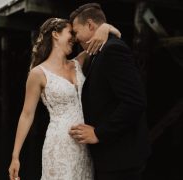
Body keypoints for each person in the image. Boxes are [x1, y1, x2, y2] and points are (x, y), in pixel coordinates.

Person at [8, 17, 121, 180]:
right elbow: (27, 115)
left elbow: (113, 39)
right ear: (55, 34)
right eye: (70, 33)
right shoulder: (38, 73)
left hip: (85, 144)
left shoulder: (79, 62)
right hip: (60, 145)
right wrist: (15, 157)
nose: (74, 39)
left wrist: (104, 27)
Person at [69, 3, 151, 180]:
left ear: (90, 25)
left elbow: (135, 102)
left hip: (121, 158)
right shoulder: (98, 51)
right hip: (109, 157)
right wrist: (107, 28)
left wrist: (99, 133)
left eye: (76, 32)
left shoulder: (113, 50)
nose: (75, 38)